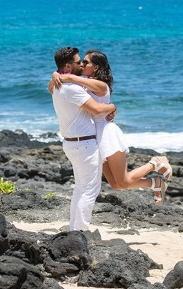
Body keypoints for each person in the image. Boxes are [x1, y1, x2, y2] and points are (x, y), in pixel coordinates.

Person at [50, 49, 172, 205]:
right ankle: (155, 183)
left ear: (95, 67)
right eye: (81, 61)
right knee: (116, 184)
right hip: (95, 137)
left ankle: (155, 162)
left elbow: (94, 99)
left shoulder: (101, 85)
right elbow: (53, 87)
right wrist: (56, 75)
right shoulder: (81, 82)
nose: (82, 64)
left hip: (107, 133)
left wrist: (67, 76)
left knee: (124, 180)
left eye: (86, 62)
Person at [51, 46, 118, 231]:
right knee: (89, 189)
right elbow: (96, 109)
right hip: (84, 144)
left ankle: (75, 229)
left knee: (81, 188)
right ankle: (81, 231)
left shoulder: (60, 86)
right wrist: (112, 106)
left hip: (73, 143)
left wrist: (56, 74)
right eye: (78, 61)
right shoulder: (72, 88)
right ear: (67, 65)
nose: (81, 64)